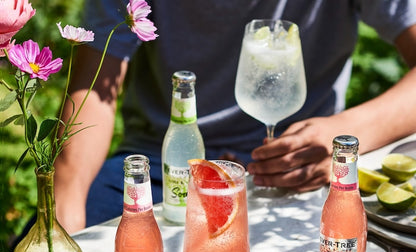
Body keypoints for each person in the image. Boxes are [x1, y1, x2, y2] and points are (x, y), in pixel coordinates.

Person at [54, 0, 416, 234]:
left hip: (299, 169)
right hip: (163, 166)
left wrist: (349, 136)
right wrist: (64, 202)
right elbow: (92, 90)